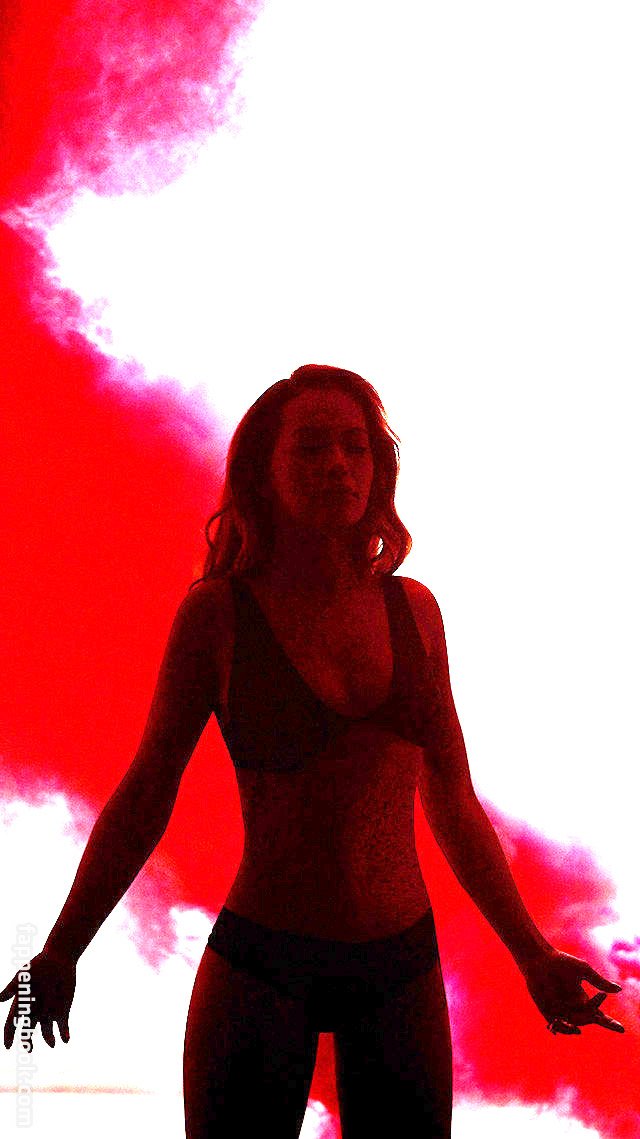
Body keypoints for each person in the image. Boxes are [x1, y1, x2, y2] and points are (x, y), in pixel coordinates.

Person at [1, 364, 624, 1138]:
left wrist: (532, 955)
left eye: (355, 446)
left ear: (379, 467)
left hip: (400, 967)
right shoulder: (218, 615)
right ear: (265, 469)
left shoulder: (415, 611)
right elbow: (147, 792)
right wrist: (61, 950)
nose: (338, 464)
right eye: (312, 446)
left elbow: (453, 799)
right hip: (262, 961)